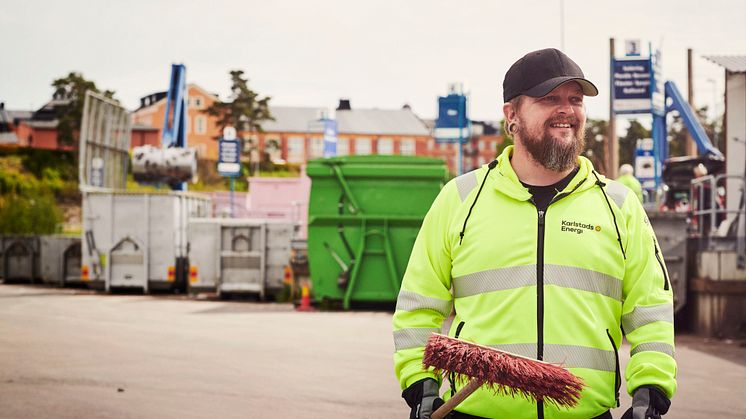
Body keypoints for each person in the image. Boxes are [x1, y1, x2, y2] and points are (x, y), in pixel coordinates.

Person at [393, 48, 676, 419]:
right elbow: (418, 304)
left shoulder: (619, 205)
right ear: (512, 115)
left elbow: (651, 310)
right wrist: (420, 384)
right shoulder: (460, 199)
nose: (567, 110)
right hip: (474, 412)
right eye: (549, 99)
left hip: (585, 414)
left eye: (575, 99)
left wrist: (650, 392)